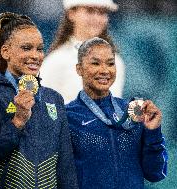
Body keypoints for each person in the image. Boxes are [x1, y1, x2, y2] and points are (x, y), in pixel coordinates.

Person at [0, 12, 78, 189]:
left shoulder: (53, 98)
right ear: (5, 51)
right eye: (26, 48)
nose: (35, 55)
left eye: (40, 49)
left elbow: (65, 166)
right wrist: (17, 122)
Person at [66, 37, 167, 189]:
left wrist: (153, 132)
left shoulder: (132, 112)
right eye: (95, 63)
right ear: (79, 69)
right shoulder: (68, 116)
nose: (105, 70)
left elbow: (155, 173)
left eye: (110, 63)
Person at [40, 0, 125, 103]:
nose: (96, 18)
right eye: (90, 11)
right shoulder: (57, 60)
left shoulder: (116, 61)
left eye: (102, 13)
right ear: (71, 14)